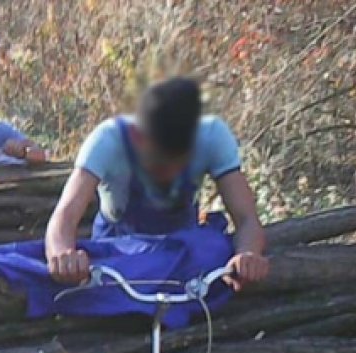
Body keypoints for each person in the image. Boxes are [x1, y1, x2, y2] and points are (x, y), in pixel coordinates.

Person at [46, 76, 269, 290]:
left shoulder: (212, 136)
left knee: (215, 251)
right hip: (119, 250)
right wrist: (62, 254)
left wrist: (247, 256)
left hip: (181, 249)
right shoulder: (107, 140)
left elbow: (246, 217)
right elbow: (65, 214)